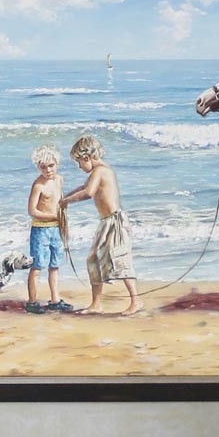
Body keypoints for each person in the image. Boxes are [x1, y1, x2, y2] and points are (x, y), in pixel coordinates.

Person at [60, 135, 143, 315]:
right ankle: (96, 303)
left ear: (87, 157)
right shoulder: (97, 173)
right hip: (106, 223)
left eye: (79, 162)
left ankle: (136, 300)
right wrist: (64, 197)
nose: (79, 166)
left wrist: (67, 201)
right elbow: (83, 187)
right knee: (94, 260)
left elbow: (89, 192)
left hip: (115, 222)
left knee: (120, 260)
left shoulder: (100, 171)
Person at [25, 144, 74, 314]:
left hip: (56, 229)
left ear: (57, 164)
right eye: (43, 167)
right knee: (37, 266)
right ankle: (32, 302)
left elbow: (60, 201)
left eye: (51, 165)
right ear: (38, 167)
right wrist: (53, 216)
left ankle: (55, 300)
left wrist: (62, 218)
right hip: (40, 230)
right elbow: (32, 211)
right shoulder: (38, 185)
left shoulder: (59, 179)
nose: (48, 170)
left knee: (55, 265)